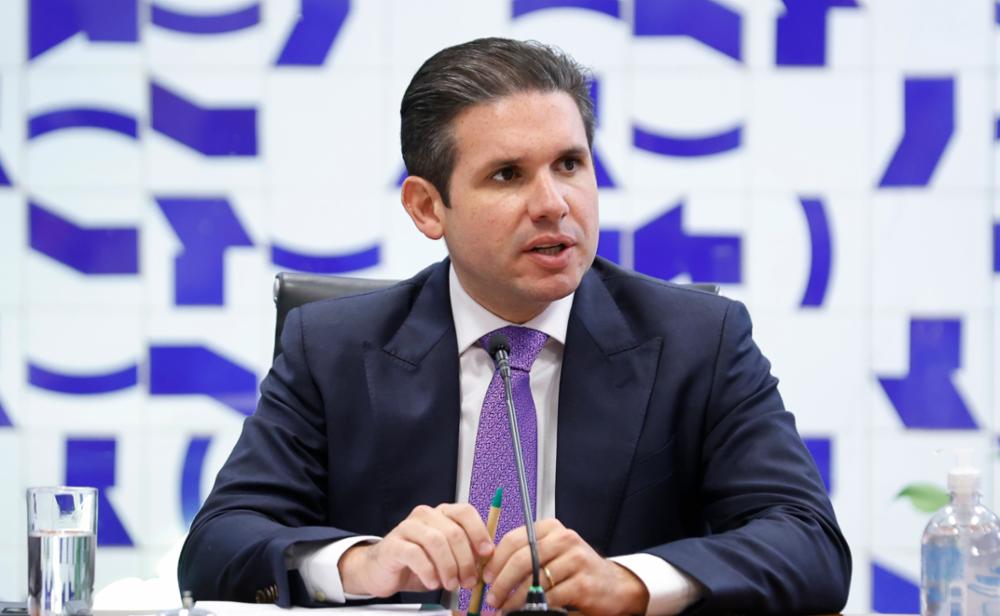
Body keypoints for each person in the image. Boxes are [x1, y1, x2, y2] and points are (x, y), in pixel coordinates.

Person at [178, 38, 851, 615]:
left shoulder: (699, 341)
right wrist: (360, 564)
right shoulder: (332, 349)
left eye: (570, 164)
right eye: (507, 175)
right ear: (427, 208)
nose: (553, 203)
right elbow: (217, 545)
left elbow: (809, 542)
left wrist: (631, 582)